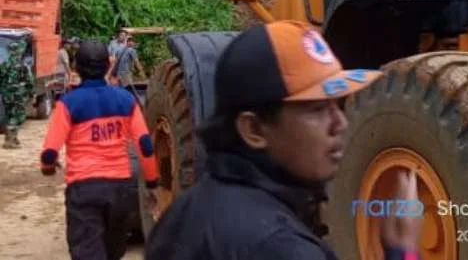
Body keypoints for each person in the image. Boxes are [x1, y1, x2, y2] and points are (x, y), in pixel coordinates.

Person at [144, 20, 423, 260]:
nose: (340, 123)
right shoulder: (279, 246)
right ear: (253, 129)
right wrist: (404, 252)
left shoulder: (181, 215)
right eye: (317, 110)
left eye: (337, 105)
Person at [39, 39, 159, 260]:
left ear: (76, 68)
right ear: (108, 65)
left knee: (87, 251)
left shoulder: (68, 103)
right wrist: (152, 182)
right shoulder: (126, 99)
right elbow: (145, 144)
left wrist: (47, 167)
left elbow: (50, 151)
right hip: (120, 188)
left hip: (84, 189)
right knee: (113, 251)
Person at [1, 38, 34, 149]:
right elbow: (29, 81)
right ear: (18, 51)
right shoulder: (23, 66)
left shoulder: (4, 64)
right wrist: (31, 92)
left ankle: (11, 138)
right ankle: (10, 140)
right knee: (18, 116)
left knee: (9, 114)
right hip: (18, 94)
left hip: (6, 94)